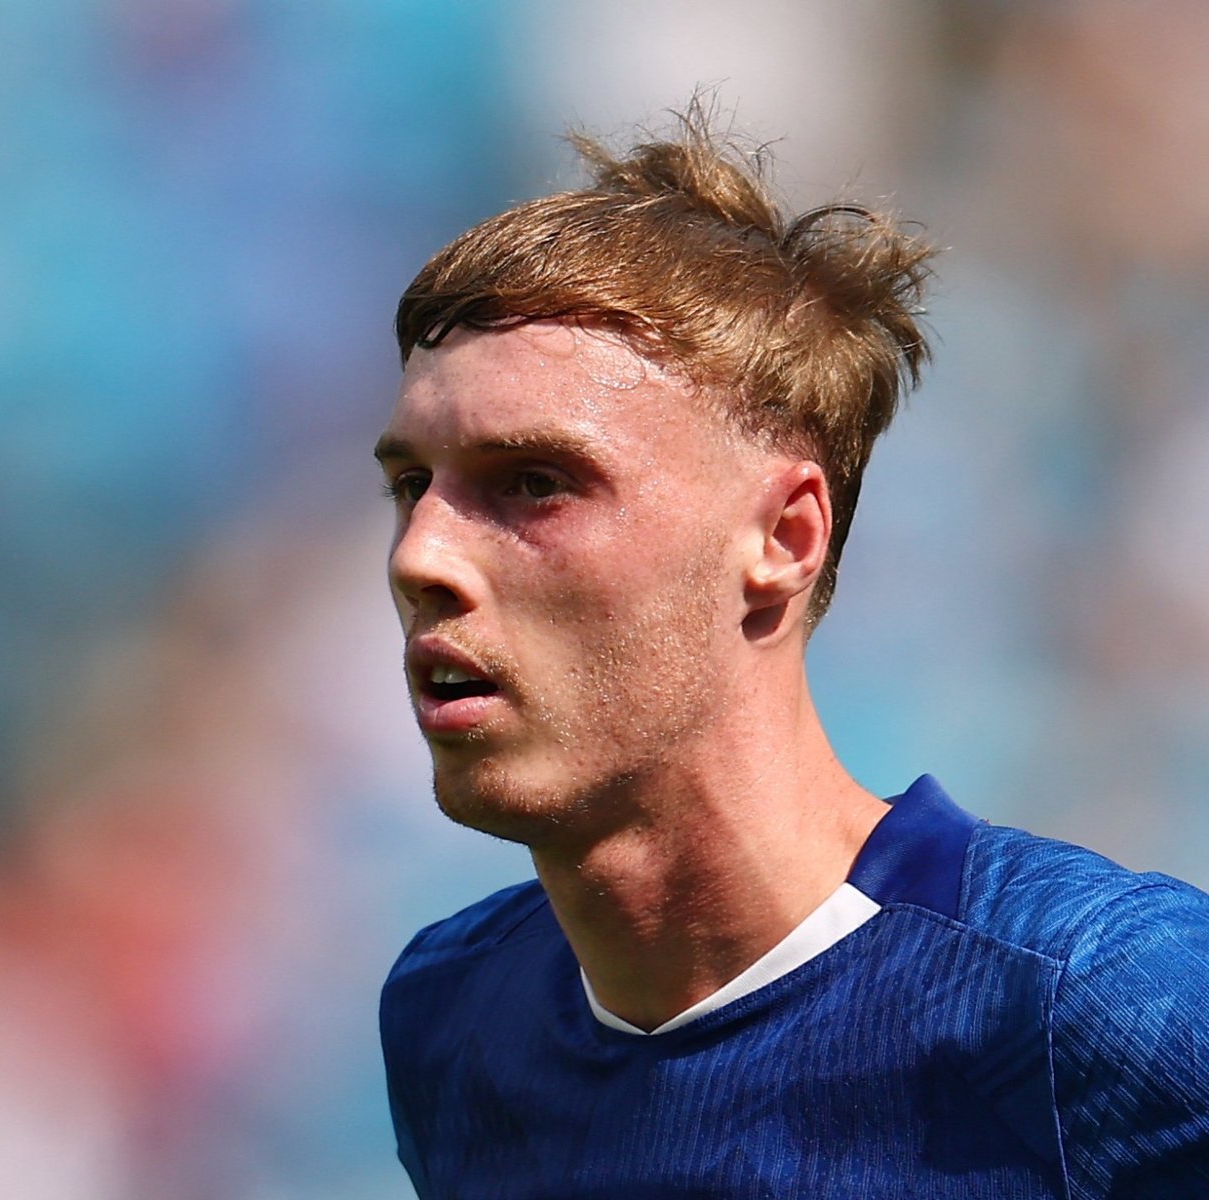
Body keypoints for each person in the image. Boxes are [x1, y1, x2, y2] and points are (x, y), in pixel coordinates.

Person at [374, 107, 1209, 1198]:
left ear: (783, 538)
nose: (419, 556)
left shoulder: (1106, 1005)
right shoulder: (450, 1019)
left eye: (534, 483)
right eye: (410, 486)